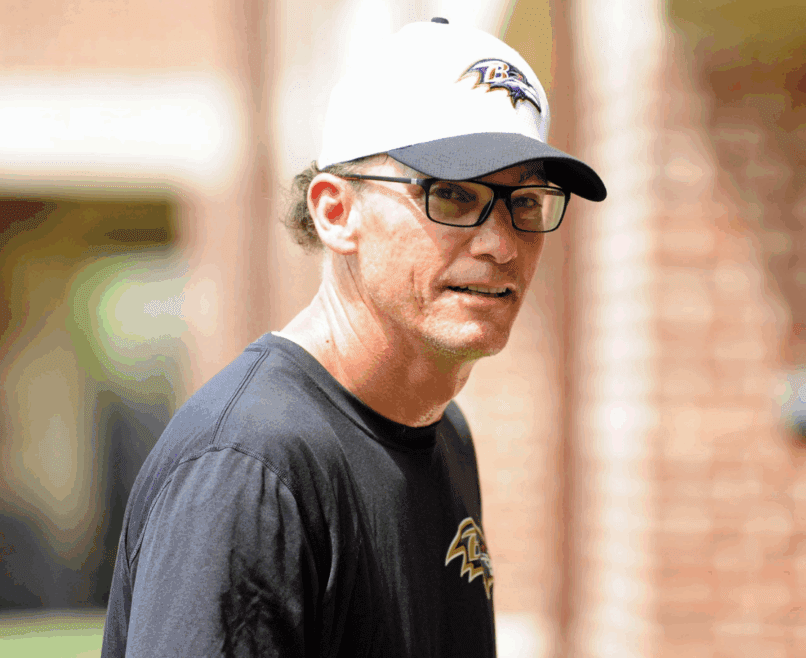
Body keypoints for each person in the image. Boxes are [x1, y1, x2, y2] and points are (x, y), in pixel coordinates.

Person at [100, 17, 605, 657]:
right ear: (336, 212)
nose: (501, 244)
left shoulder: (443, 433)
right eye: (451, 195)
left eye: (526, 202)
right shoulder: (249, 467)